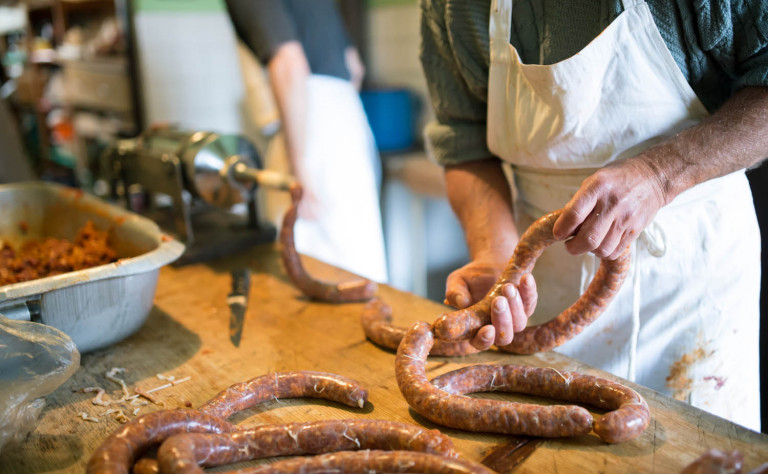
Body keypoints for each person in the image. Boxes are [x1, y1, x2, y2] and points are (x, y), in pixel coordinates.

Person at [420, 0, 767, 431]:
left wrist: (660, 176)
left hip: (692, 272)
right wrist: (494, 252)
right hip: (543, 283)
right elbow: (463, 142)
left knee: (696, 443)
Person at [225, 0, 388, 283]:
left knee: (312, 269)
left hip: (309, 127)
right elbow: (354, 67)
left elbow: (288, 62)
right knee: (359, 261)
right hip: (346, 120)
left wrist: (299, 169)